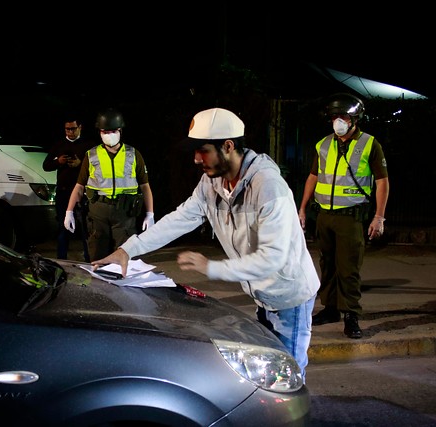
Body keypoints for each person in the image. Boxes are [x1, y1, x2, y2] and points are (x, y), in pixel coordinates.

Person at [92, 107, 319, 381]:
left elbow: (272, 258)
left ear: (228, 146)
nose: (197, 159)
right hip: (263, 293)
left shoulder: (268, 186)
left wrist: (211, 268)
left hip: (289, 296)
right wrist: (127, 250)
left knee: (289, 375)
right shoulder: (212, 183)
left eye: (203, 151)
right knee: (270, 372)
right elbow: (181, 218)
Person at [298, 93, 389, 340]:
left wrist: (378, 217)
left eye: (343, 116)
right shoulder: (324, 144)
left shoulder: (370, 144)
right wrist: (303, 208)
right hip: (324, 215)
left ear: (355, 119)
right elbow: (313, 177)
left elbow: (382, 182)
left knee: (348, 268)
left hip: (351, 217)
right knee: (327, 265)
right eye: (334, 117)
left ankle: (351, 315)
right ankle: (330, 309)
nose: (338, 121)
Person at [64, 108, 154, 261]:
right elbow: (79, 186)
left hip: (125, 213)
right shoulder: (91, 155)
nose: (108, 135)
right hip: (98, 211)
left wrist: (150, 213)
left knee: (126, 256)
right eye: (104, 132)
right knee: (98, 257)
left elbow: (145, 186)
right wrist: (69, 211)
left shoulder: (133, 154)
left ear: (120, 130)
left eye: (112, 131)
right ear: (99, 132)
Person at [42, 114, 93, 261]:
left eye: (73, 129)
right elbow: (46, 165)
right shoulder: (59, 145)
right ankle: (62, 260)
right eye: (67, 129)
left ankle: (89, 259)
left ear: (80, 128)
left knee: (84, 228)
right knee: (63, 228)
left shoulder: (88, 145)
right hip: (63, 192)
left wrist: (80, 163)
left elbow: (97, 167)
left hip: (81, 192)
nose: (70, 132)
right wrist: (59, 161)